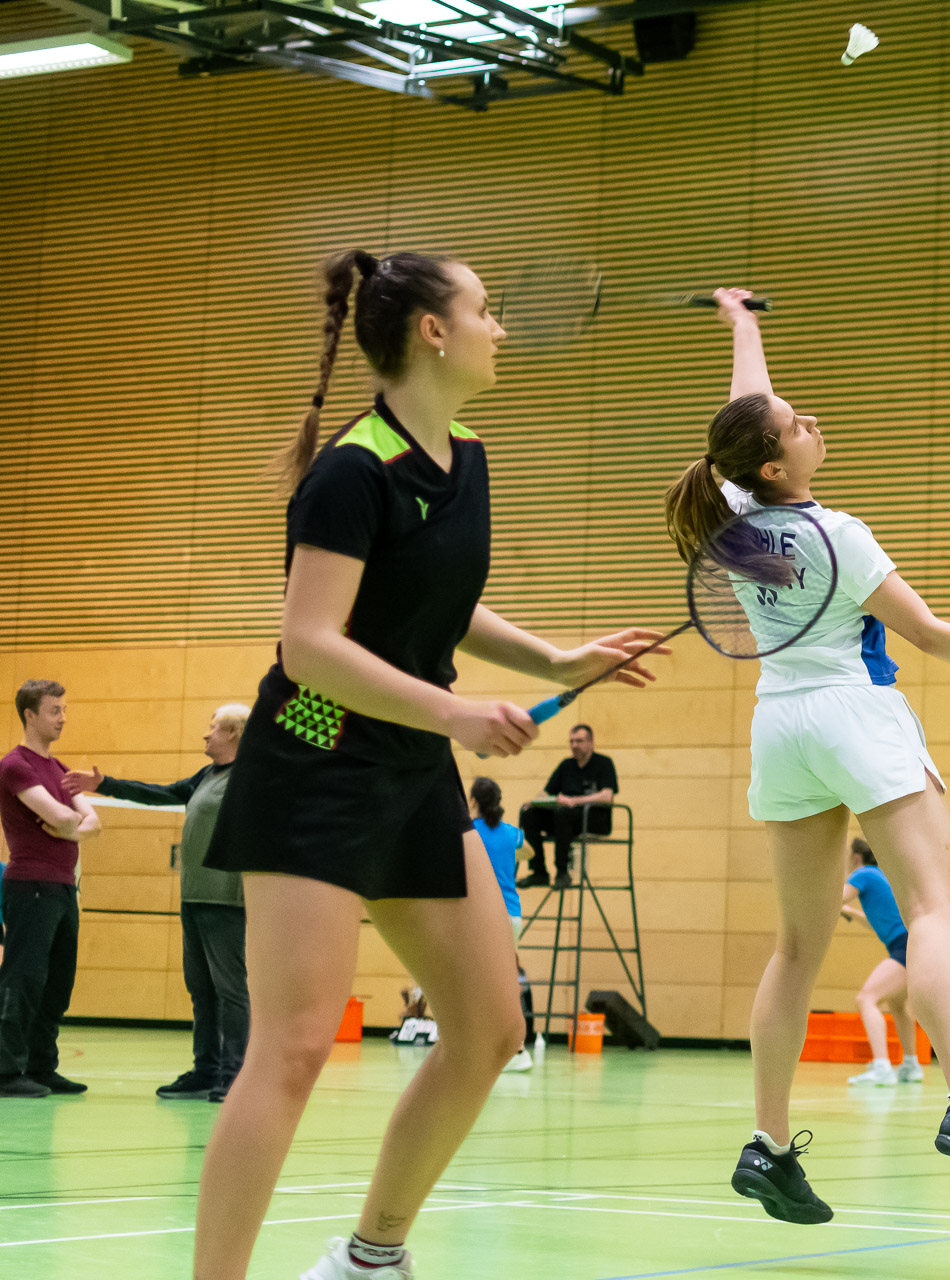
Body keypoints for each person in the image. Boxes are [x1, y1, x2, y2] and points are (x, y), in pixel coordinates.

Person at [191, 249, 667, 1280]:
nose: (502, 327)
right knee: (294, 1046)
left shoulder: (467, 456)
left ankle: (370, 1257)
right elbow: (308, 643)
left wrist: (555, 660)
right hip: (315, 760)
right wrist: (456, 710)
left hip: (408, 766)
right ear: (432, 333)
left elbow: (436, 596)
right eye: (485, 310)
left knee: (490, 1027)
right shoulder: (352, 469)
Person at [664, 288, 950, 1226]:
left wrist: (743, 323)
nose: (812, 421)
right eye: (797, 425)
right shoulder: (839, 536)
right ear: (776, 463)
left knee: (796, 946)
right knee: (933, 908)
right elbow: (926, 633)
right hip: (856, 713)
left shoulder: (733, 517)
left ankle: (768, 1146)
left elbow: (743, 412)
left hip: (780, 726)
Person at [65, 703, 253, 1103]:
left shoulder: (253, 777)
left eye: (214, 727)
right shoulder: (206, 776)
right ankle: (206, 1070)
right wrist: (105, 784)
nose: (206, 733)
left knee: (230, 990)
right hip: (193, 897)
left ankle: (234, 1074)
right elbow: (162, 794)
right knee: (201, 990)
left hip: (226, 899)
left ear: (235, 733)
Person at [0, 680, 99, 1098]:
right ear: (30, 715)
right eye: (54, 710)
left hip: (62, 887)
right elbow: (61, 817)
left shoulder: (59, 769)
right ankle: (6, 1070)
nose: (63, 718)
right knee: (24, 978)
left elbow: (92, 823)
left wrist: (70, 825)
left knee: (57, 982)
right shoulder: (14, 765)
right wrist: (71, 824)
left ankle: (41, 1065)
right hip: (31, 885)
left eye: (64, 709)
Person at [841, 837, 922, 1087]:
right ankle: (911, 1065)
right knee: (897, 1003)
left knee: (866, 998)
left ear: (856, 857)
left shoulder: (862, 874)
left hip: (903, 945)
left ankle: (881, 1067)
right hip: (910, 943)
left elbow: (836, 898)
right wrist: (851, 913)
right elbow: (875, 921)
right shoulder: (878, 875)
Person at [468, 776, 532, 1072]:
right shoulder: (511, 833)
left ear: (473, 801)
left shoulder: (468, 832)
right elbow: (529, 852)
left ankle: (513, 1048)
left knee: (482, 982)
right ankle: (512, 1048)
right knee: (506, 980)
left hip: (484, 915)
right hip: (512, 915)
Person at [516, 724, 618, 890]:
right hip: (564, 819)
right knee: (529, 814)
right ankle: (539, 872)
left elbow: (607, 796)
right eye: (571, 741)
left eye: (579, 741)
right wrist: (539, 801)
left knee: (563, 813)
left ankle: (562, 873)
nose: (574, 745)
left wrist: (573, 801)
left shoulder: (604, 763)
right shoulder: (566, 765)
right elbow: (546, 793)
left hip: (593, 819)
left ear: (591, 743)